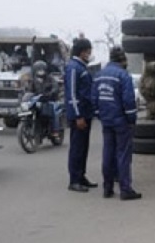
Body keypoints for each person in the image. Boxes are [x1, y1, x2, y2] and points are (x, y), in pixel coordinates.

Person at [92, 47, 141, 200]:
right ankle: (125, 190)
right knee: (123, 154)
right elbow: (128, 100)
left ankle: (107, 188)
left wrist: (100, 115)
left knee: (108, 154)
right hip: (121, 121)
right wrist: (132, 119)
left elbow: (94, 99)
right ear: (122, 60)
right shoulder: (123, 75)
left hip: (106, 121)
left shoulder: (99, 75)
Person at [64, 38, 97, 192]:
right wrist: (78, 116)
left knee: (84, 148)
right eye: (87, 51)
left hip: (86, 113)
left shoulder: (82, 67)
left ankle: (81, 176)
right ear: (82, 51)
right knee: (77, 148)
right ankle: (74, 180)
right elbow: (72, 94)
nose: (89, 53)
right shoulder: (73, 68)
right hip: (80, 115)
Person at [30, 61, 61, 136]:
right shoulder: (34, 80)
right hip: (39, 100)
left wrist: (51, 93)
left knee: (54, 112)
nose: (40, 72)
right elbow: (30, 90)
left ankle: (55, 130)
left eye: (41, 69)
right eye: (38, 70)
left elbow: (55, 87)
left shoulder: (50, 78)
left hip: (51, 100)